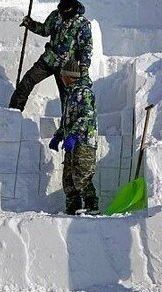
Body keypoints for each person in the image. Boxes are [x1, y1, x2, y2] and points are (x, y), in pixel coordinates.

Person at [9, 0, 92, 112]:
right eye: (63, 8)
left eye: (67, 9)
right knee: (27, 81)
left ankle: (67, 127)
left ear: (74, 6)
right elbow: (44, 30)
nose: (64, 11)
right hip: (49, 60)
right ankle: (13, 112)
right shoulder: (55, 15)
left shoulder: (82, 24)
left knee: (68, 99)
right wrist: (31, 24)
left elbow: (86, 48)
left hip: (67, 67)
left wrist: (83, 68)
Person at [48, 59, 99, 215]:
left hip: (84, 143)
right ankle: (73, 208)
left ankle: (92, 207)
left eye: (63, 75)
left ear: (69, 76)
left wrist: (74, 135)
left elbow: (86, 115)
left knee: (82, 177)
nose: (61, 78)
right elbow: (67, 120)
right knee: (69, 180)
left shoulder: (84, 93)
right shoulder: (70, 95)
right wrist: (58, 136)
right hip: (72, 143)